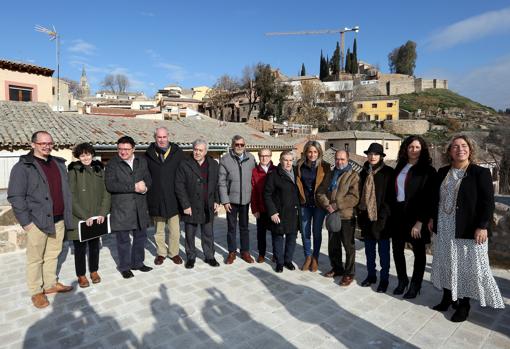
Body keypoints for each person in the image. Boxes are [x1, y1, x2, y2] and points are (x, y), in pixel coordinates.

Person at [430, 135, 504, 322]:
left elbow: (488, 203)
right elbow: (436, 199)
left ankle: (464, 305)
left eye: (464, 146)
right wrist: (432, 218)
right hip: (445, 225)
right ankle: (447, 297)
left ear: (470, 149)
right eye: (455, 146)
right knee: (446, 261)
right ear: (449, 151)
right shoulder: (443, 171)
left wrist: (482, 226)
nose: (459, 149)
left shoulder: (479, 173)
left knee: (467, 266)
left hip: (467, 227)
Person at [8, 131, 73, 308]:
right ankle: (36, 291)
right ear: (33, 144)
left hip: (58, 219)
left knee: (53, 254)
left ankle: (50, 284)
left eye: (49, 143)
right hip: (37, 222)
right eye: (42, 143)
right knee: (35, 258)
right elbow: (15, 196)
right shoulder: (23, 167)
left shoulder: (59, 164)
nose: (46, 146)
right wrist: (26, 223)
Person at [391, 136, 436, 299]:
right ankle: (402, 281)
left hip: (417, 217)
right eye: (411, 147)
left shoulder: (428, 171)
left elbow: (430, 198)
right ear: (405, 148)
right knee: (396, 250)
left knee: (419, 252)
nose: (414, 150)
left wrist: (419, 222)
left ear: (422, 149)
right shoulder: (400, 166)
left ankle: (415, 284)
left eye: (417, 147)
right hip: (398, 215)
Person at [105, 136, 153, 279]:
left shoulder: (141, 161)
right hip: (122, 208)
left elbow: (148, 179)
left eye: (126, 149)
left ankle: (138, 263)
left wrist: (145, 188)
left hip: (139, 207)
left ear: (133, 149)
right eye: (120, 149)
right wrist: (133, 187)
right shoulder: (113, 164)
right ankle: (125, 267)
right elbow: (111, 185)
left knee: (140, 237)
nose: (123, 152)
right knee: (123, 241)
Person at [67, 143, 111, 288]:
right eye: (82, 155)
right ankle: (81, 275)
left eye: (88, 154)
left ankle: (94, 271)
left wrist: (103, 213)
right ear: (78, 157)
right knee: (79, 249)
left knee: (94, 246)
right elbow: (70, 196)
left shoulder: (99, 169)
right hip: (79, 217)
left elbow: (106, 192)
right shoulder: (73, 171)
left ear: (92, 154)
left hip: (97, 216)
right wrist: (84, 215)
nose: (85, 158)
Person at [175, 139, 220, 269]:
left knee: (208, 233)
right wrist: (185, 205)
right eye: (195, 149)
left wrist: (217, 200)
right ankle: (190, 257)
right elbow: (179, 186)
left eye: (200, 150)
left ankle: (209, 256)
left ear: (205, 151)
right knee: (190, 234)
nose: (197, 152)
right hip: (191, 206)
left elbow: (217, 183)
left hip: (208, 205)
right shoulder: (184, 164)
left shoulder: (213, 164)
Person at [316, 150, 360, 286]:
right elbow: (321, 191)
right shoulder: (331, 174)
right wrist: (327, 205)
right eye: (337, 159)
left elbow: (354, 197)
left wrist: (336, 205)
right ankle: (337, 268)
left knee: (348, 246)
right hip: (332, 215)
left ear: (348, 159)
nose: (339, 162)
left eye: (342, 159)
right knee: (333, 245)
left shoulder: (354, 176)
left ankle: (349, 273)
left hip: (346, 216)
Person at [357, 143, 395, 293]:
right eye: (370, 154)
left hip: (382, 221)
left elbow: (390, 198)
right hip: (366, 218)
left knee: (384, 253)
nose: (372, 157)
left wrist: (383, 217)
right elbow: (360, 194)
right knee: (369, 251)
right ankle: (371, 275)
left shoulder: (388, 173)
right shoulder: (363, 172)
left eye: (376, 154)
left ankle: (384, 279)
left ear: (381, 156)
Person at [145, 127, 184, 266]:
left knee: (175, 231)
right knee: (159, 230)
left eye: (164, 137)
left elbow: (183, 174)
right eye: (159, 137)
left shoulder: (177, 153)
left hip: (174, 198)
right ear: (155, 137)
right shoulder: (148, 154)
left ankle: (174, 253)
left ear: (169, 137)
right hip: (156, 198)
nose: (162, 140)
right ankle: (161, 253)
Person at [218, 135, 257, 264]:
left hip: (246, 200)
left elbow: (255, 179)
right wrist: (225, 200)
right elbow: (221, 182)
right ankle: (232, 252)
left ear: (245, 145)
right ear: (233, 145)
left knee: (245, 227)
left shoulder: (251, 159)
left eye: (242, 144)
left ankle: (245, 251)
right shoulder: (225, 160)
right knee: (231, 228)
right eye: (237, 144)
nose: (239, 147)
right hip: (231, 201)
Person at [296, 141, 330, 272]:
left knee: (316, 232)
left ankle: (315, 257)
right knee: (305, 232)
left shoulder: (325, 167)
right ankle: (308, 257)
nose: (312, 154)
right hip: (304, 204)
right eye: (310, 151)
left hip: (319, 205)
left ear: (319, 153)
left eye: (315, 152)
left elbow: (327, 186)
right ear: (305, 152)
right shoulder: (299, 165)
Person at [264, 151, 300, 273]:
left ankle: (287, 260)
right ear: (280, 160)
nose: (288, 162)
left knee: (291, 238)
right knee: (278, 237)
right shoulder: (273, 175)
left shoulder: (297, 173)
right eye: (285, 160)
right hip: (279, 213)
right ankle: (279, 262)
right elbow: (267, 195)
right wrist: (273, 212)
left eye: (291, 160)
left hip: (293, 212)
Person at [251, 148, 276, 263]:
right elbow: (253, 191)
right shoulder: (254, 171)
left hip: (274, 209)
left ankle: (276, 254)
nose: (264, 158)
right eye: (262, 156)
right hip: (261, 208)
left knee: (276, 232)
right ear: (258, 156)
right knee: (261, 233)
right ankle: (261, 253)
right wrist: (255, 209)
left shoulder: (276, 170)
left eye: (267, 156)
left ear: (270, 157)